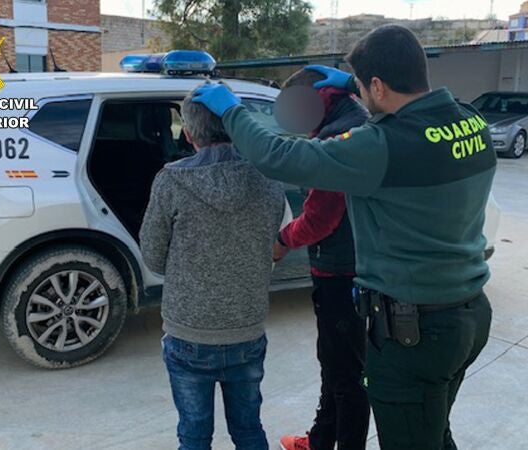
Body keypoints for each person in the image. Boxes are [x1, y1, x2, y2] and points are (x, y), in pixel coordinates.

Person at [192, 25, 496, 450]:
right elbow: (419, 119)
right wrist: (354, 89)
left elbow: (280, 156)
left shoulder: (381, 146)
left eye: (360, 83)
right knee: (432, 431)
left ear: (376, 85)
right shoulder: (472, 123)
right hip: (469, 316)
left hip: (414, 332)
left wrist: (232, 111)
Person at [139, 87, 285, 450]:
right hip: (246, 328)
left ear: (188, 134)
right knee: (249, 429)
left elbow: (153, 258)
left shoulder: (170, 181)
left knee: (193, 434)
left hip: (188, 332)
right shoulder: (268, 177)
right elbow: (274, 244)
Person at [273, 68, 371, 450]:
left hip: (342, 272)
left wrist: (282, 240)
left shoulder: (336, 138)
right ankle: (319, 440)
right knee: (334, 364)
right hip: (352, 265)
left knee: (348, 376)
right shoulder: (355, 116)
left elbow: (320, 218)